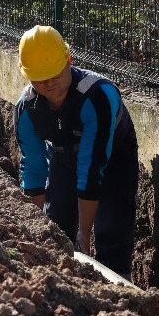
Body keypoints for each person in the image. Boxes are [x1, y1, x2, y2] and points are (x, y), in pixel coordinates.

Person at [13, 25, 139, 279]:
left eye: (55, 74)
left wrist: (85, 232)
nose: (48, 83)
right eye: (39, 78)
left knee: (111, 231)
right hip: (62, 157)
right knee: (55, 226)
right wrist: (33, 233)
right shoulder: (27, 110)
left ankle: (121, 293)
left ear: (69, 61)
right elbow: (34, 170)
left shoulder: (97, 97)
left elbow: (92, 167)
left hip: (114, 159)